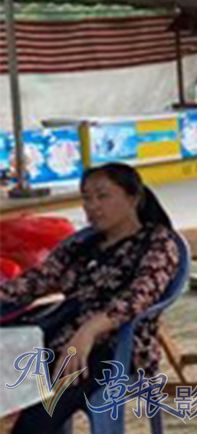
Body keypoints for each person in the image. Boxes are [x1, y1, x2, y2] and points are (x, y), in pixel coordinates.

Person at [0, 163, 182, 434]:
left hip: (118, 349)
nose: (92, 205)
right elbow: (35, 281)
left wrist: (90, 330)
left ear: (133, 198)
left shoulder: (157, 243)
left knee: (37, 419)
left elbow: (139, 296)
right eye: (86, 197)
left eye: (102, 196)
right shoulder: (81, 245)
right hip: (62, 341)